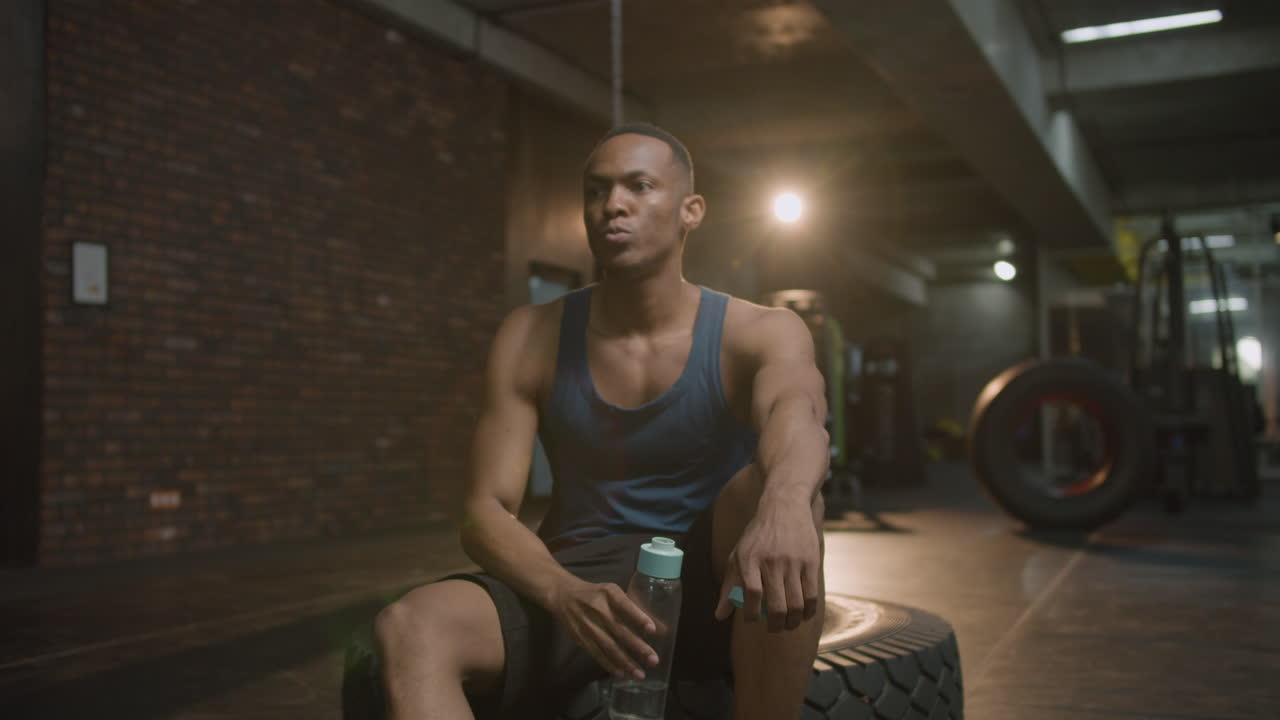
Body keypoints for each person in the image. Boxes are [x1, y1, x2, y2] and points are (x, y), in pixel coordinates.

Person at [375, 122, 830, 720]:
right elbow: (484, 509)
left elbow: (798, 415)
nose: (613, 205)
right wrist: (562, 591)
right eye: (597, 190)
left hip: (715, 587)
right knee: (409, 625)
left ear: (691, 210)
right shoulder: (530, 334)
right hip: (579, 584)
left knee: (776, 493)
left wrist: (788, 503)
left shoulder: (758, 331)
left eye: (639, 186)